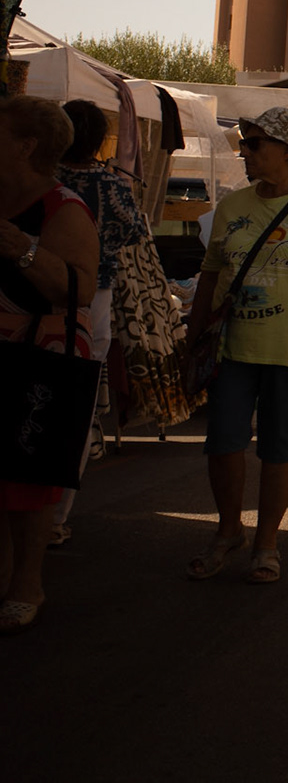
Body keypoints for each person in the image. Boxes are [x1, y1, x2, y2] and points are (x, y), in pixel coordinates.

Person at [183, 106, 288, 586]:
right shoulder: (233, 207)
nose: (245, 153)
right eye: (244, 143)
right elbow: (211, 277)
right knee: (223, 445)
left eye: (254, 144)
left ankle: (268, 542)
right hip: (232, 350)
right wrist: (191, 342)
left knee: (281, 451)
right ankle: (228, 530)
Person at [0, 97, 98, 635]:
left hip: (36, 358)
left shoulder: (62, 208)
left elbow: (79, 287)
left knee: (27, 476)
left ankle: (26, 584)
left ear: (25, 145)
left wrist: (23, 249)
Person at [50, 100, 149, 546]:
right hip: (95, 297)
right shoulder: (110, 186)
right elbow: (133, 232)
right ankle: (56, 516)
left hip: (31, 293)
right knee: (75, 403)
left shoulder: (39, 181)